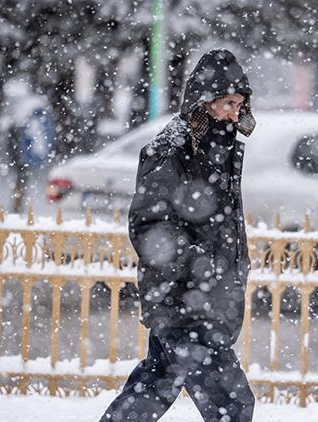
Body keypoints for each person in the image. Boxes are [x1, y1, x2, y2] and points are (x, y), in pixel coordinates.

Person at [99, 49, 257, 422]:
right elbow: (150, 225)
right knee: (232, 405)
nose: (235, 113)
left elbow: (221, 225)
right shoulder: (172, 150)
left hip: (200, 299)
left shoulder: (221, 151)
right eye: (228, 103)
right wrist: (199, 268)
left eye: (240, 104)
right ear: (205, 103)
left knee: (152, 388)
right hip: (185, 303)